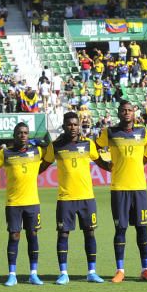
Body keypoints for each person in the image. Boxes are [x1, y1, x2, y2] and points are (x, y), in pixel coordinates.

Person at [95, 101, 147, 283]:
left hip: (139, 189)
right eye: (123, 110)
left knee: (142, 229)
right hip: (119, 189)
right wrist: (104, 164)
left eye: (130, 110)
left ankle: (145, 269)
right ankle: (120, 270)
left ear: (134, 113)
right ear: (119, 113)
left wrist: (138, 164)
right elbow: (93, 148)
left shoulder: (143, 132)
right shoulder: (110, 132)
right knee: (120, 229)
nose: (127, 113)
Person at [43, 112, 104, 283]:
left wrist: (118, 167)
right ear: (63, 126)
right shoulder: (55, 146)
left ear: (79, 126)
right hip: (66, 198)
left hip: (87, 198)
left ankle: (91, 271)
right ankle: (63, 273)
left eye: (75, 124)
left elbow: (101, 163)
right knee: (63, 234)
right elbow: (42, 166)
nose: (73, 127)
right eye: (69, 124)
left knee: (89, 233)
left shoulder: (88, 144)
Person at [0, 122, 47, 286]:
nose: (23, 135)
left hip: (32, 202)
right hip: (13, 203)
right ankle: (12, 274)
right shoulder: (5, 154)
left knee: (33, 236)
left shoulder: (37, 151)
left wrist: (42, 142)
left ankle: (33, 273)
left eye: (26, 133)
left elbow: (52, 150)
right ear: (14, 135)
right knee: (14, 236)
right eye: (20, 133)